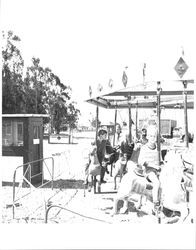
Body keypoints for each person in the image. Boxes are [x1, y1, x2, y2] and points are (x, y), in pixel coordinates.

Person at [136, 125, 161, 212]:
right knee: (157, 182)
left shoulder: (158, 147)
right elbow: (140, 161)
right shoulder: (144, 148)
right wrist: (154, 166)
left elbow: (160, 159)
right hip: (149, 170)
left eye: (154, 136)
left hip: (158, 169)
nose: (152, 138)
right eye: (150, 136)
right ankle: (156, 204)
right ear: (147, 136)